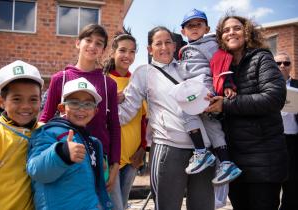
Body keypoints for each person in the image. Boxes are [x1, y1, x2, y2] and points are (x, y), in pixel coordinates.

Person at [119, 26, 214, 210]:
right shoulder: (144, 73)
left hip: (203, 150)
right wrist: (98, 110)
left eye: (168, 42)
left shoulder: (187, 68)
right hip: (168, 148)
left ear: (175, 45)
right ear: (149, 49)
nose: (164, 47)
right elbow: (127, 112)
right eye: (158, 43)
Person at [205, 14, 288, 210]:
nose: (231, 33)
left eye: (236, 28)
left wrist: (226, 105)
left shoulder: (262, 58)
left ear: (247, 32)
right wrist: (214, 109)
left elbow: (274, 98)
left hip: (264, 161)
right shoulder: (221, 67)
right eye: (226, 30)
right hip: (235, 162)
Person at [39, 24, 121, 192]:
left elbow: (114, 126)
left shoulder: (109, 84)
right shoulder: (59, 79)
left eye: (99, 43)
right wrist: (38, 150)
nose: (92, 46)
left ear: (104, 50)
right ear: (78, 43)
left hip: (99, 158)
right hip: (65, 155)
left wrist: (115, 163)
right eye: (88, 40)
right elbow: (45, 118)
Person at [175, 8, 241, 185]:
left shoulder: (210, 44)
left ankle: (201, 152)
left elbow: (222, 64)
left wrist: (228, 84)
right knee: (212, 126)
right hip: (202, 91)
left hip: (203, 86)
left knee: (185, 110)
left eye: (199, 24)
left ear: (207, 28)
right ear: (183, 31)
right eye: (190, 26)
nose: (195, 28)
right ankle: (227, 163)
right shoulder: (187, 49)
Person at [27, 77, 112, 210]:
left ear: (95, 111)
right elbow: (36, 170)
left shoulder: (92, 142)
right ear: (62, 108)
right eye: (74, 103)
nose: (82, 109)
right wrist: (62, 153)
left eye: (88, 104)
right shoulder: (48, 133)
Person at [0, 60, 43, 209]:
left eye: (33, 99)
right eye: (17, 99)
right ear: (1, 101)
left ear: (41, 101)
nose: (26, 106)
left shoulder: (45, 132)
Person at [103, 30, 147, 209]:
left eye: (132, 51)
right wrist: (111, 100)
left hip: (132, 158)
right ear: (113, 52)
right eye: (122, 50)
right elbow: (95, 118)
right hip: (110, 157)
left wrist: (143, 148)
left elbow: (143, 119)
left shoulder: (138, 81)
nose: (127, 55)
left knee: (124, 203)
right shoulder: (103, 80)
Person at [275, 52, 298, 210]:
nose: (282, 66)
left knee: (293, 184)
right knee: (272, 184)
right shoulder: (265, 86)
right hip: (273, 141)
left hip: (294, 142)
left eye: (286, 63)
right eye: (278, 63)